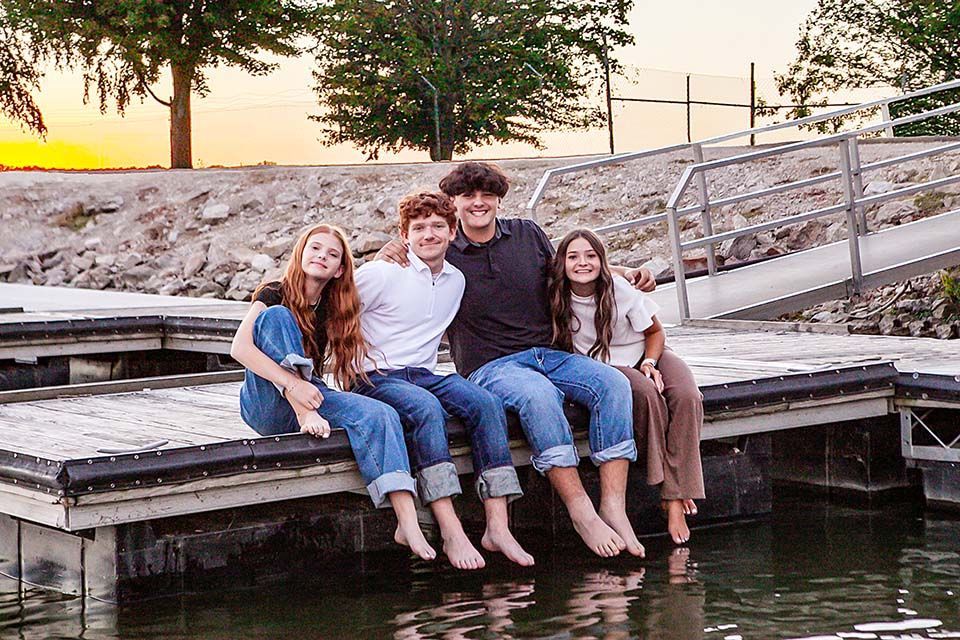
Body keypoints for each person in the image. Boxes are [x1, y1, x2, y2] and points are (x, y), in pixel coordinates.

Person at [378, 162, 656, 558]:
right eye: (468, 196)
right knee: (539, 397)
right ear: (453, 205)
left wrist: (624, 270)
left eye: (486, 195)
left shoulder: (526, 234)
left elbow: (569, 269)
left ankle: (613, 505)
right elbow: (412, 250)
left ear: (498, 200)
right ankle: (580, 511)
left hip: (550, 353)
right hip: (492, 366)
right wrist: (395, 248)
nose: (478, 203)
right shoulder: (444, 249)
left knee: (613, 384)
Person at [230, 223, 436, 561]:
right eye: (315, 248)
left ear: (340, 268)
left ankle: (407, 521)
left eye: (332, 254)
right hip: (267, 400)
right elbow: (240, 348)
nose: (321, 256)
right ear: (301, 253)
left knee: (381, 414)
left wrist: (385, 256)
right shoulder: (273, 293)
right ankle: (302, 410)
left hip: (312, 392)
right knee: (278, 318)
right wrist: (295, 388)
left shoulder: (334, 305)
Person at [354, 191, 533, 569]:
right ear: (404, 235)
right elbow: (334, 308)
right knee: (426, 409)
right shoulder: (381, 273)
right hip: (374, 375)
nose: (429, 235)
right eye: (418, 228)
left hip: (423, 373)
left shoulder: (455, 279)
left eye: (438, 226)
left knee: (486, 403)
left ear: (453, 232)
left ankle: (497, 526)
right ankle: (450, 528)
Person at [549, 228, 705, 544]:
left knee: (688, 396)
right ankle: (672, 498)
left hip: (646, 352)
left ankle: (675, 492)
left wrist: (649, 362)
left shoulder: (618, 288)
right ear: (562, 262)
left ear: (602, 261)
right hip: (608, 366)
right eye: (574, 256)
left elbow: (655, 332)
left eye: (591, 256)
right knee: (647, 395)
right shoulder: (557, 297)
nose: (583, 263)